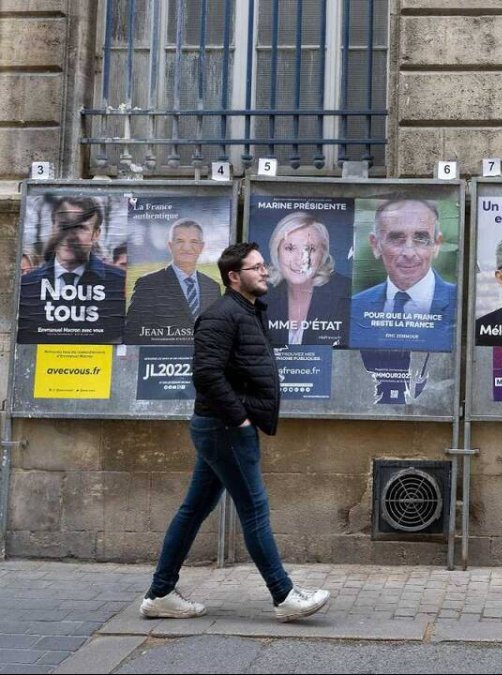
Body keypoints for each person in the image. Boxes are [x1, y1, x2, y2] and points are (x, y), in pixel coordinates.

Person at [140, 242, 330, 623]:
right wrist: (239, 419)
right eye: (255, 267)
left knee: (194, 509)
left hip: (222, 427)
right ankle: (284, 595)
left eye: (263, 266)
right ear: (233, 277)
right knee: (254, 509)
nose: (264, 272)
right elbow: (206, 374)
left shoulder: (248, 311)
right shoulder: (220, 316)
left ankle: (160, 593)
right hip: (224, 428)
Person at [350, 199, 456, 351]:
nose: (409, 253)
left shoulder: (460, 303)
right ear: (375, 245)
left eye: (420, 239)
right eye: (397, 239)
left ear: (437, 244)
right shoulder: (354, 308)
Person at [18, 195, 126, 343]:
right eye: (64, 226)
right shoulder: (26, 286)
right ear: (53, 228)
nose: (69, 237)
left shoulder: (120, 284)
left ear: (96, 234)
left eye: (80, 227)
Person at [124, 219, 222, 344]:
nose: (187, 247)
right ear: (170, 246)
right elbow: (133, 334)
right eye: (180, 241)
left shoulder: (212, 287)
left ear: (201, 247)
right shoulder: (148, 284)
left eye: (194, 241)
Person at [261, 212, 351, 346]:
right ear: (276, 251)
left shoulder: (347, 293)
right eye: (290, 248)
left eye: (309, 249)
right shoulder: (261, 297)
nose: (300, 260)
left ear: (323, 254)